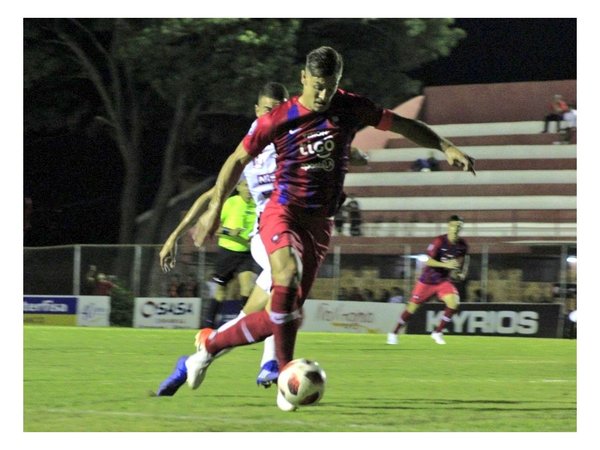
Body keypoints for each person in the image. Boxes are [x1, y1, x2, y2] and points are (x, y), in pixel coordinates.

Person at [186, 46, 475, 409]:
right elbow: (237, 158)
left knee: (283, 313)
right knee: (285, 277)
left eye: (331, 86)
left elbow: (400, 124)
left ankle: (209, 347)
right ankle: (284, 378)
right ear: (304, 78)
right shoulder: (280, 117)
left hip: (319, 224)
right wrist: (214, 209)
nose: (323, 95)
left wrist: (444, 145)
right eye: (318, 85)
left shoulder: (351, 107)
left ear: (338, 82)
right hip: (283, 212)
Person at [155, 82, 290, 396]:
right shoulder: (253, 146)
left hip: (284, 231)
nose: (276, 114)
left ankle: (196, 358)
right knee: (285, 281)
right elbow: (211, 194)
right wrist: (174, 236)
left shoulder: (290, 136)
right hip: (265, 233)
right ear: (258, 112)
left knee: (261, 312)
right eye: (269, 109)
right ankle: (270, 363)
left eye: (280, 108)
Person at [387, 214, 469, 345]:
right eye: (454, 225)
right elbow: (428, 260)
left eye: (459, 226)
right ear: (448, 226)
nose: (456, 228)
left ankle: (437, 332)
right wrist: (445, 265)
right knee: (411, 309)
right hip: (427, 280)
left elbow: (462, 260)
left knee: (454, 302)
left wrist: (460, 273)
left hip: (443, 281)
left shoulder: (462, 245)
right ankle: (393, 333)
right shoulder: (439, 241)